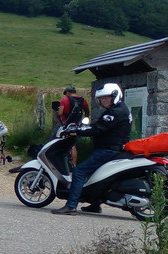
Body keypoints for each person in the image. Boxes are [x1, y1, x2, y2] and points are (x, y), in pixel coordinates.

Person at [53, 82, 132, 215]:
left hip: (108, 150)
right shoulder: (121, 109)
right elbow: (100, 127)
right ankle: (95, 204)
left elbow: (97, 129)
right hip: (113, 148)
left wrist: (77, 131)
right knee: (95, 175)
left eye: (106, 98)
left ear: (115, 96)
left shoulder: (114, 112)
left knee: (79, 172)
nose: (103, 100)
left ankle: (71, 206)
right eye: (101, 98)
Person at [55, 85, 88, 163]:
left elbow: (60, 113)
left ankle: (60, 163)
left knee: (60, 142)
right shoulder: (82, 100)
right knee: (73, 144)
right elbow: (87, 112)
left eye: (66, 93)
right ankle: (74, 164)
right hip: (77, 125)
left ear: (68, 92)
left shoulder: (65, 100)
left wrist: (58, 112)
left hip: (66, 125)